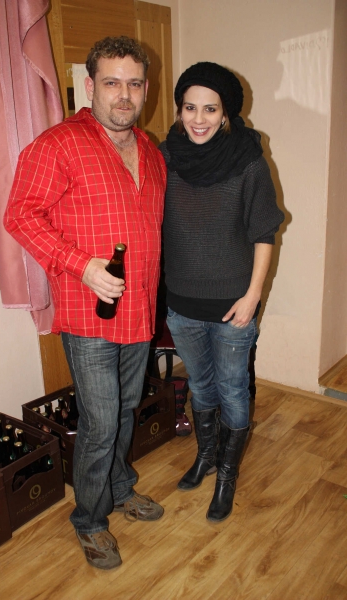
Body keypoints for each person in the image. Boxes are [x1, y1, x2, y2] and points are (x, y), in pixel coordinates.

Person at [4, 36, 167, 570]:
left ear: (146, 88)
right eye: (112, 82)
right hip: (89, 314)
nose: (124, 95)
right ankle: (91, 521)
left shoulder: (151, 152)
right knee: (100, 422)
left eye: (134, 83)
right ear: (90, 85)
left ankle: (119, 487)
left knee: (125, 408)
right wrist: (83, 266)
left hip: (139, 310)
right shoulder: (58, 144)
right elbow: (20, 214)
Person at [159, 62, 284, 522]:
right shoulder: (165, 157)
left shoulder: (247, 161)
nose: (198, 118)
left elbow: (264, 234)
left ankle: (227, 475)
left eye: (210, 109)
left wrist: (252, 297)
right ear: (179, 109)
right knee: (201, 385)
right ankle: (206, 456)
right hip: (181, 305)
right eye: (189, 107)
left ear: (226, 111)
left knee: (232, 389)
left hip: (234, 305)